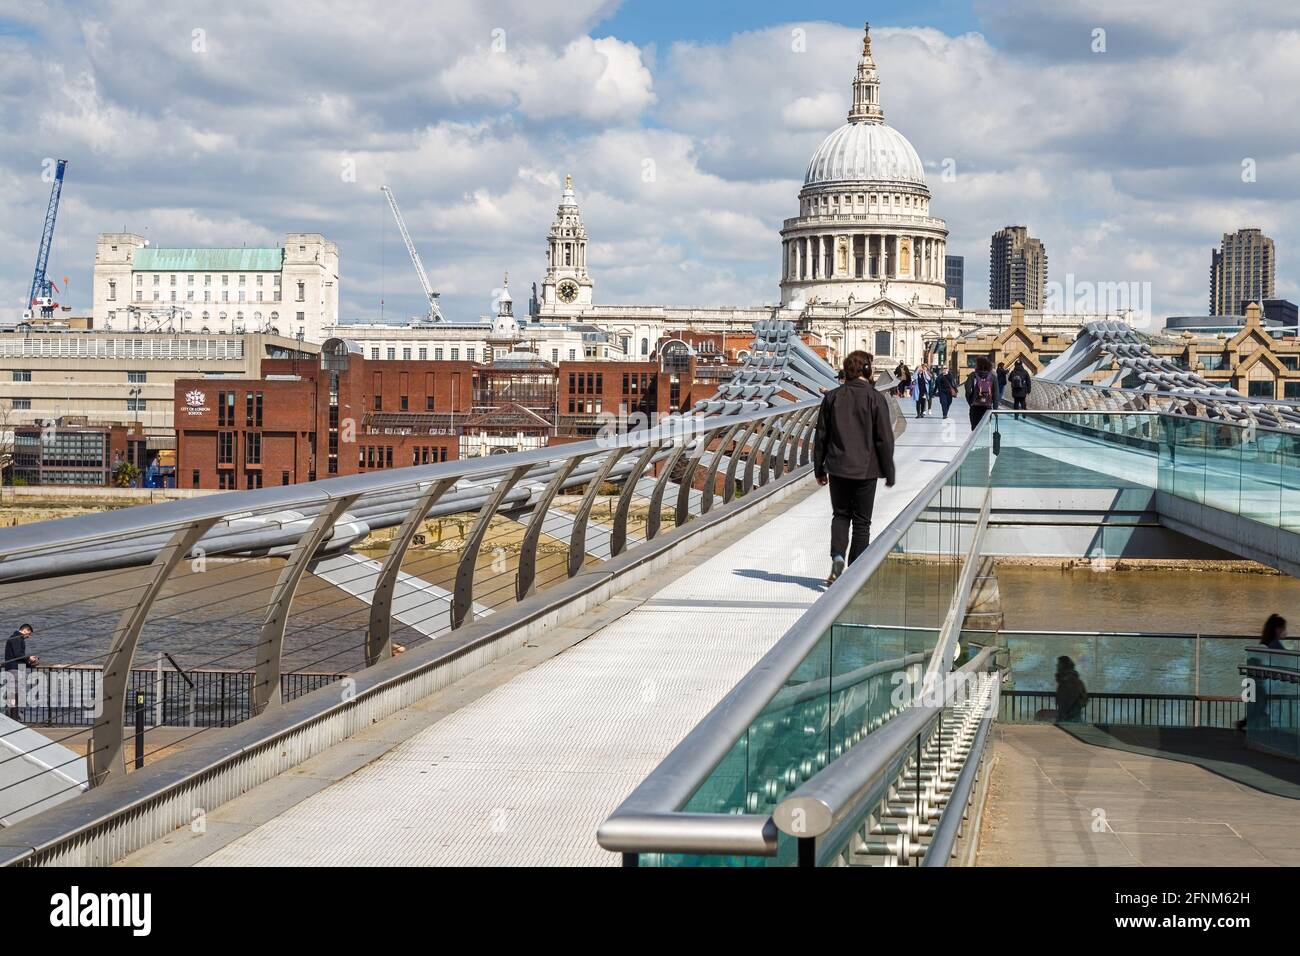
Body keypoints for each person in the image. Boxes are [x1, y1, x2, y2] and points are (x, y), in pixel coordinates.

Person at [815, 350, 897, 586]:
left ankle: (838, 557)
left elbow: (821, 437)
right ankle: (854, 575)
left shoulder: (831, 398)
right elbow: (884, 439)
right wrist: (888, 470)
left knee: (840, 515)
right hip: (866, 470)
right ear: (868, 371)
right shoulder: (875, 398)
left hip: (837, 467)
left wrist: (819, 469)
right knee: (862, 522)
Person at [1237, 614, 1288, 730]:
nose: (1285, 632)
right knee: (1262, 713)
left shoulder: (1262, 646)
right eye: (1284, 628)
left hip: (1258, 687)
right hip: (1265, 687)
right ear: (1277, 629)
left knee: (1258, 712)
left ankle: (1245, 726)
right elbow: (1285, 661)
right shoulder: (1274, 647)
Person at [4, 623, 37, 721]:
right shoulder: (17, 638)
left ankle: (11, 718)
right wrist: (29, 658)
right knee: (17, 695)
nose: (29, 636)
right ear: (25, 630)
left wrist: (29, 662)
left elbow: (16, 657)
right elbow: (18, 654)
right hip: (15, 670)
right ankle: (15, 719)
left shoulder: (14, 638)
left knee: (12, 694)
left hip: (12, 668)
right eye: (29, 633)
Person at [964, 356, 997, 430]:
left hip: (975, 406)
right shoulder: (993, 377)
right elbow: (996, 394)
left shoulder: (973, 375)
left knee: (974, 429)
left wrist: (970, 401)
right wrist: (995, 408)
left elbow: (967, 389)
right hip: (987, 407)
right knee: (985, 429)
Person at [1054, 656, 1088, 723]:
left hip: (1069, 719)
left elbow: (1068, 701)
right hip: (1070, 717)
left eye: (1059, 664)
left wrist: (1062, 716)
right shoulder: (1068, 680)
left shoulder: (1069, 681)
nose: (1057, 665)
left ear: (1064, 666)